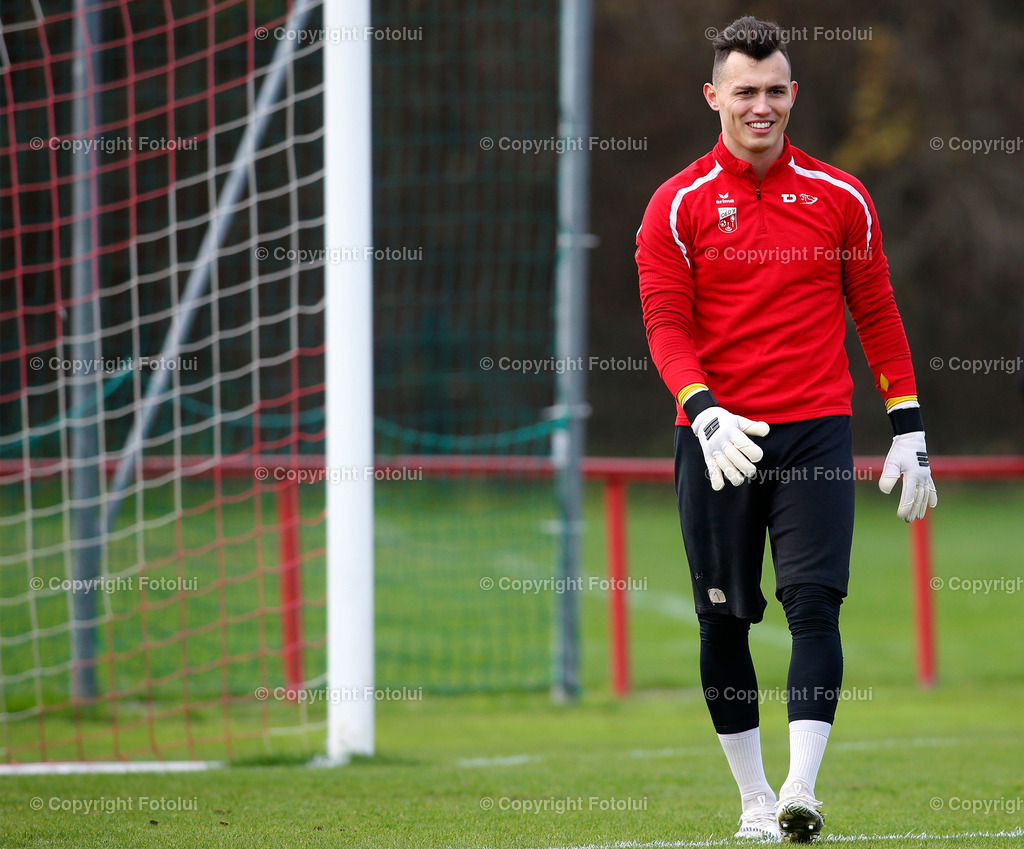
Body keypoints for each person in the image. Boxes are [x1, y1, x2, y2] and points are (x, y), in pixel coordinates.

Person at [635, 16, 937, 843]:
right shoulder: (676, 205)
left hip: (816, 432)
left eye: (775, 90)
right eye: (745, 91)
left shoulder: (842, 197)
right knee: (723, 619)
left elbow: (876, 312)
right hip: (718, 438)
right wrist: (703, 409)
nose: (761, 106)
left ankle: (802, 789)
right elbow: (665, 326)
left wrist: (907, 425)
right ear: (714, 97)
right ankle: (754, 798)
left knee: (815, 605)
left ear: (793, 93)